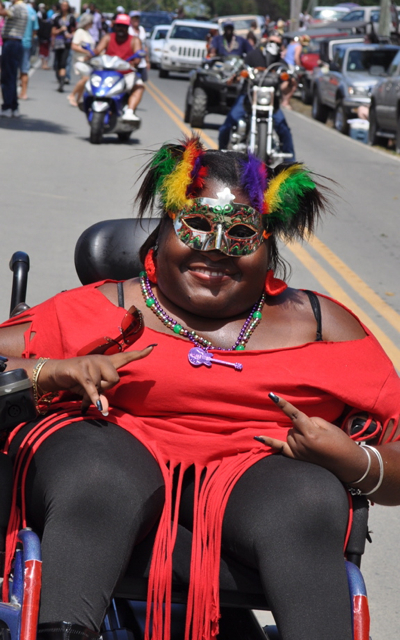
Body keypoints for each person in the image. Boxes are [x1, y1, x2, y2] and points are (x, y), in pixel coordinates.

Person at [1, 137, 400, 640]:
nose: (213, 250)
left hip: (263, 489)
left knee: (309, 498)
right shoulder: (101, 308)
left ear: (269, 244)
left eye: (239, 233)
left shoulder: (323, 325)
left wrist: (352, 459)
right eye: (196, 226)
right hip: (108, 474)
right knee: (97, 474)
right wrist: (52, 372)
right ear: (165, 230)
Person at [218, 38, 295, 158]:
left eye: (278, 43)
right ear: (265, 43)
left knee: (284, 129)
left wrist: (290, 82)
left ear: (281, 47)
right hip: (248, 96)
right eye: (272, 42)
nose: (274, 45)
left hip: (270, 101)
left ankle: (291, 166)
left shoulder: (280, 63)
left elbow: (285, 88)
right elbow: (239, 73)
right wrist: (236, 76)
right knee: (226, 126)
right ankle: (219, 158)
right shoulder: (252, 56)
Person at [95, 13, 143, 122]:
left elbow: (138, 56)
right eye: (119, 26)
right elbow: (97, 50)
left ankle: (129, 111)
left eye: (124, 26)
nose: (121, 28)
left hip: (126, 73)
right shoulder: (108, 37)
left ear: (128, 27)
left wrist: (135, 62)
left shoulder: (134, 40)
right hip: (107, 72)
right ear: (115, 26)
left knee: (139, 86)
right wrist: (90, 55)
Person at [0, 0, 28, 117]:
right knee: (11, 76)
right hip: (16, 43)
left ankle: (7, 106)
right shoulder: (23, 7)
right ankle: (13, 106)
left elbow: (4, 13)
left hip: (11, 43)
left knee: (7, 77)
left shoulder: (17, 7)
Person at [67, 11, 93, 106]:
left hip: (87, 60)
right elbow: (74, 46)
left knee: (85, 79)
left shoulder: (87, 33)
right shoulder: (79, 32)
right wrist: (87, 52)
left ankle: (78, 99)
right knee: (86, 78)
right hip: (80, 59)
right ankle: (72, 94)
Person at [51, 0, 76, 92]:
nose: (64, 7)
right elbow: (53, 31)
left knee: (63, 63)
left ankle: (62, 83)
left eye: (66, 5)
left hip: (67, 43)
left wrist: (71, 35)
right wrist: (60, 30)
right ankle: (59, 77)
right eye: (63, 5)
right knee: (57, 63)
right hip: (58, 42)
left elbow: (74, 30)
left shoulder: (71, 18)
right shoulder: (57, 18)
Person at [19, 0, 39, 100]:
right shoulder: (32, 11)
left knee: (11, 69)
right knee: (24, 69)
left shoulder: (17, 8)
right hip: (26, 43)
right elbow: (35, 29)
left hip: (14, 42)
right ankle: (24, 92)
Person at [281, 35, 302, 109]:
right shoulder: (298, 46)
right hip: (291, 66)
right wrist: (299, 65)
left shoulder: (290, 45)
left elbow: (283, 54)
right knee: (294, 84)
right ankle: (286, 101)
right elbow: (296, 57)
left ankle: (284, 100)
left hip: (284, 65)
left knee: (286, 83)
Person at [128, 10, 149, 82]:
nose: (136, 20)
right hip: (131, 62)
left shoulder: (142, 29)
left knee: (141, 83)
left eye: (137, 18)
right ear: (130, 20)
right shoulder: (128, 30)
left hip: (142, 63)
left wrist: (147, 61)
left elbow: (145, 46)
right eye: (134, 18)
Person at [37, 3, 52, 69]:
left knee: (42, 51)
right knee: (46, 52)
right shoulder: (49, 24)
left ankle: (43, 64)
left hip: (41, 39)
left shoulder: (40, 23)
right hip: (47, 39)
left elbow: (39, 31)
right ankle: (45, 64)